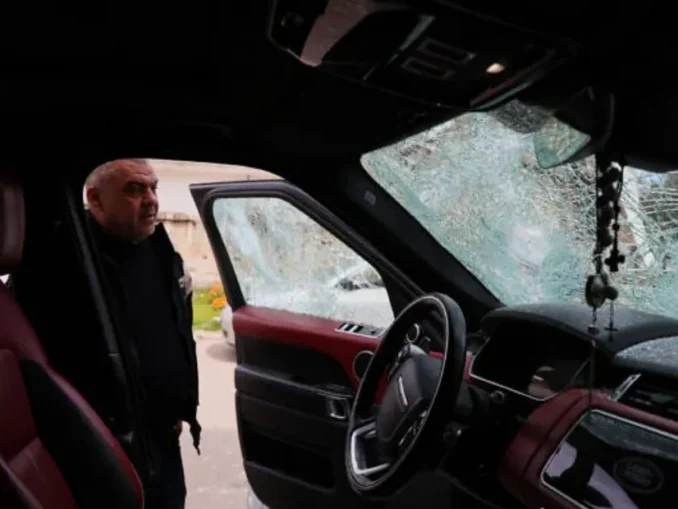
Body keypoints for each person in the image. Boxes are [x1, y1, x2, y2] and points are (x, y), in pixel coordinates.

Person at [84, 158, 200, 509]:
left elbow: (177, 328)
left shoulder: (159, 250)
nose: (151, 199)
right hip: (106, 445)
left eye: (153, 188)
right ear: (95, 198)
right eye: (134, 189)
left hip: (163, 438)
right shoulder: (76, 259)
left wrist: (179, 405)